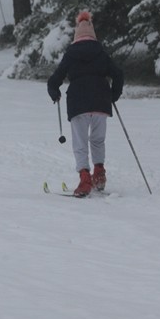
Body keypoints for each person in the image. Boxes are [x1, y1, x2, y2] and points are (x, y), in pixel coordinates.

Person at [47, 11, 124, 197]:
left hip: (78, 102)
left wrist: (54, 92)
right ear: (93, 35)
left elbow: (55, 78)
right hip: (101, 102)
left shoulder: (71, 54)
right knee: (97, 140)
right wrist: (113, 95)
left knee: (80, 143)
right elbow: (118, 74)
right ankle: (99, 173)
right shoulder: (101, 53)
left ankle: (84, 179)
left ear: (76, 35)